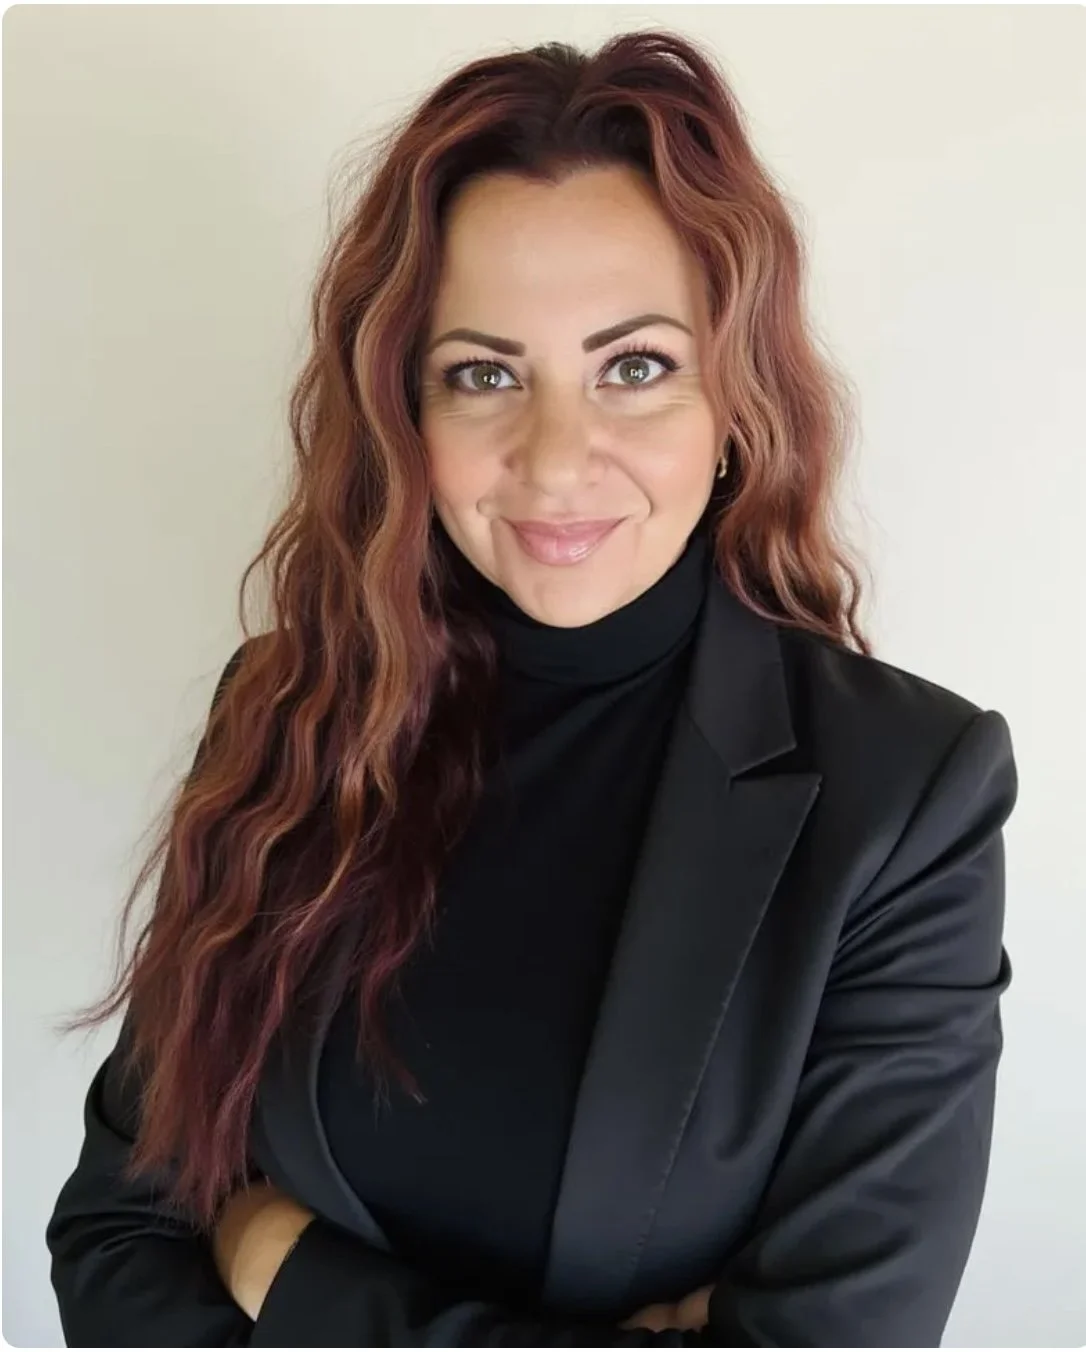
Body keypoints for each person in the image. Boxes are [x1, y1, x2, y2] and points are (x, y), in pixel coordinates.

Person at [45, 28, 1018, 1348]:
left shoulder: (900, 800)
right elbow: (118, 1235)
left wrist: (284, 1271)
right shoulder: (290, 709)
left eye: (632, 366)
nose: (556, 461)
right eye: (484, 374)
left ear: (733, 398)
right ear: (406, 413)